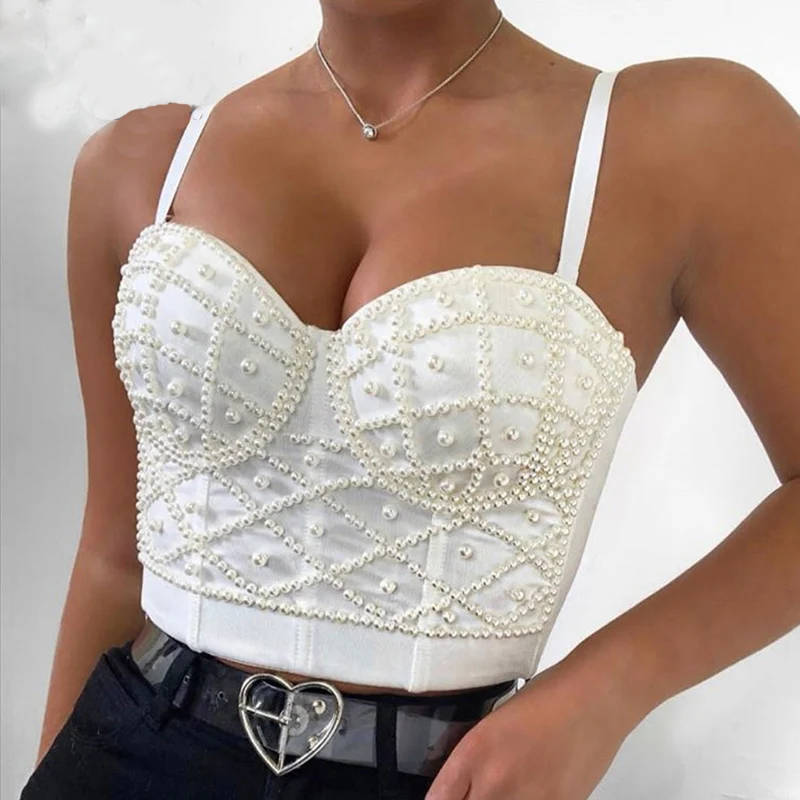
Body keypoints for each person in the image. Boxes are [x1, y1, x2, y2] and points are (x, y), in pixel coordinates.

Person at [20, 0, 800, 798]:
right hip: (125, 748)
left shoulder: (680, 139)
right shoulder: (140, 164)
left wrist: (607, 688)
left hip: (442, 779)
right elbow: (114, 559)